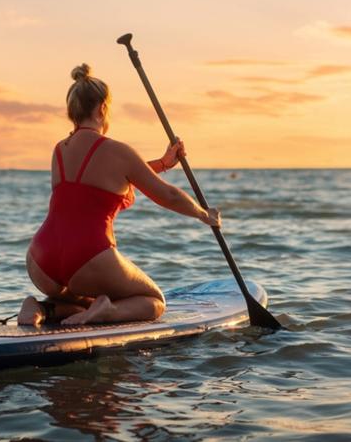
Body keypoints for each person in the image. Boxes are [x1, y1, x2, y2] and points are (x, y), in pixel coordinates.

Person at [18, 63, 221, 326]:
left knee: (84, 299)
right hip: (88, 255)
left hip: (40, 259)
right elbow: (167, 195)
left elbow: (102, 182)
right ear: (103, 108)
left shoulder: (60, 150)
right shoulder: (117, 150)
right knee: (152, 301)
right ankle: (108, 312)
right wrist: (204, 214)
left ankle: (39, 309)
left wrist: (162, 163)